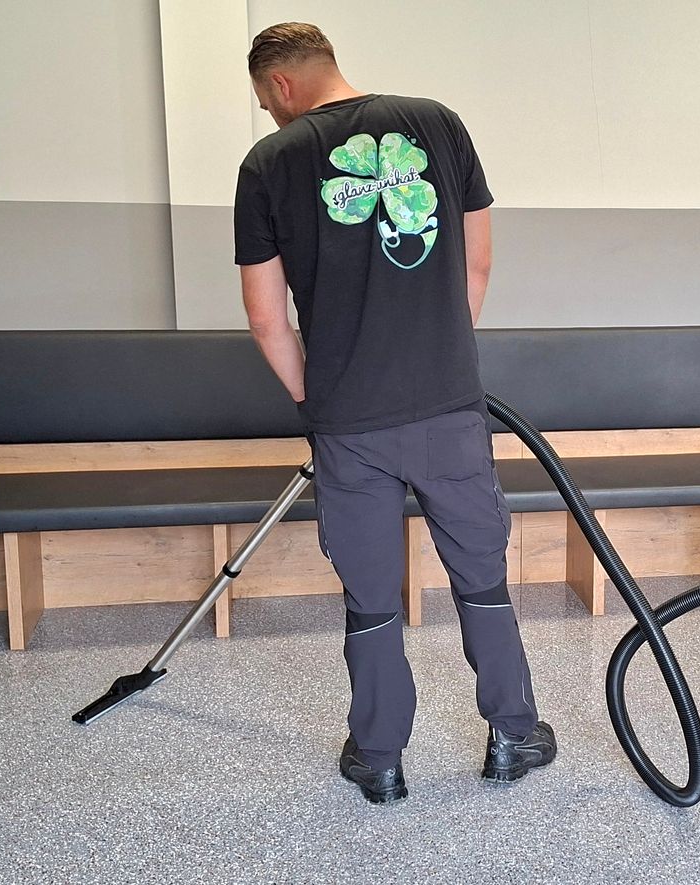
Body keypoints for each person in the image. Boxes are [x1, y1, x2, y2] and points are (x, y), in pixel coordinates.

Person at [233, 22, 556, 805]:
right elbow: (476, 263)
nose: (273, 115)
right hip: (448, 408)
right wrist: (441, 352)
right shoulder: (439, 123)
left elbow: (268, 319)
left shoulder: (268, 162)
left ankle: (379, 755)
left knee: (371, 596)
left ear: (279, 85)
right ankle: (513, 732)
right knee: (481, 577)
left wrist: (316, 393)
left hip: (350, 424)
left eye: (265, 102)